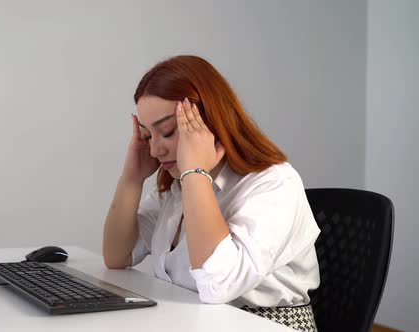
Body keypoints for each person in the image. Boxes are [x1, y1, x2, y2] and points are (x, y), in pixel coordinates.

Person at [102, 55, 320, 332]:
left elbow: (219, 284)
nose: (155, 150)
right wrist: (131, 178)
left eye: (167, 132)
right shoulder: (177, 184)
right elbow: (117, 256)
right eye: (147, 136)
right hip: (195, 321)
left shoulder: (275, 183)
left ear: (211, 122)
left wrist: (196, 172)